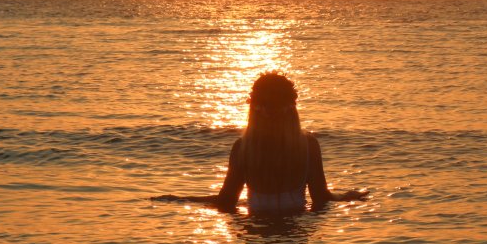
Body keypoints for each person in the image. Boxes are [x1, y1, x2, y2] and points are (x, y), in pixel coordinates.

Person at [153, 72, 368, 214]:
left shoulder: (244, 148)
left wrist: (181, 200)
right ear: (291, 108)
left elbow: (226, 203)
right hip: (295, 234)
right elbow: (321, 199)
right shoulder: (307, 146)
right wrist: (347, 197)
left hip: (255, 231)